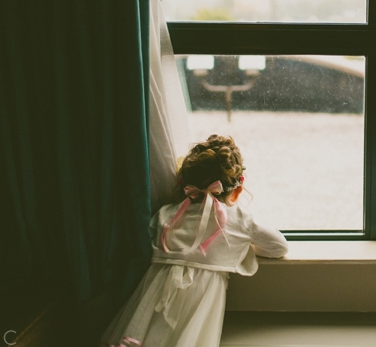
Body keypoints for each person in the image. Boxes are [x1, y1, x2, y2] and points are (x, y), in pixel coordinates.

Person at [102, 135, 288, 347]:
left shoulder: (166, 215)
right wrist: (241, 246)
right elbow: (278, 246)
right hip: (196, 312)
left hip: (150, 304)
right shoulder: (238, 220)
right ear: (237, 190)